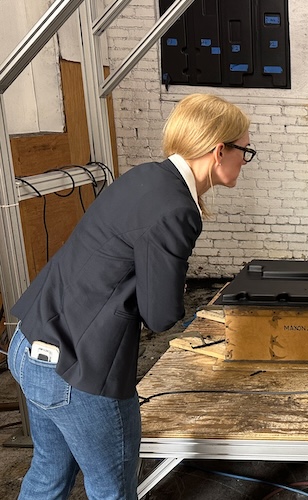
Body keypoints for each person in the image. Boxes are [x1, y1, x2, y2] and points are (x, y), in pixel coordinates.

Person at [7, 93, 254, 499]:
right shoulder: (177, 209)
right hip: (78, 374)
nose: (245, 159)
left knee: (48, 474)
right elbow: (160, 315)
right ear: (219, 150)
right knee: (112, 492)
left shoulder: (146, 176)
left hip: (30, 346)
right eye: (245, 149)